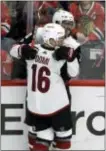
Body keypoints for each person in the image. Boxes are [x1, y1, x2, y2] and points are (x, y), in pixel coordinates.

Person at [10, 23, 79, 151]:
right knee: (64, 137)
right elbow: (74, 73)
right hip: (58, 106)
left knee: (43, 137)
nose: (63, 41)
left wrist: (22, 50)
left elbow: (13, 50)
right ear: (51, 39)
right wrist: (71, 58)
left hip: (38, 106)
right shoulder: (59, 57)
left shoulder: (33, 51)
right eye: (60, 38)